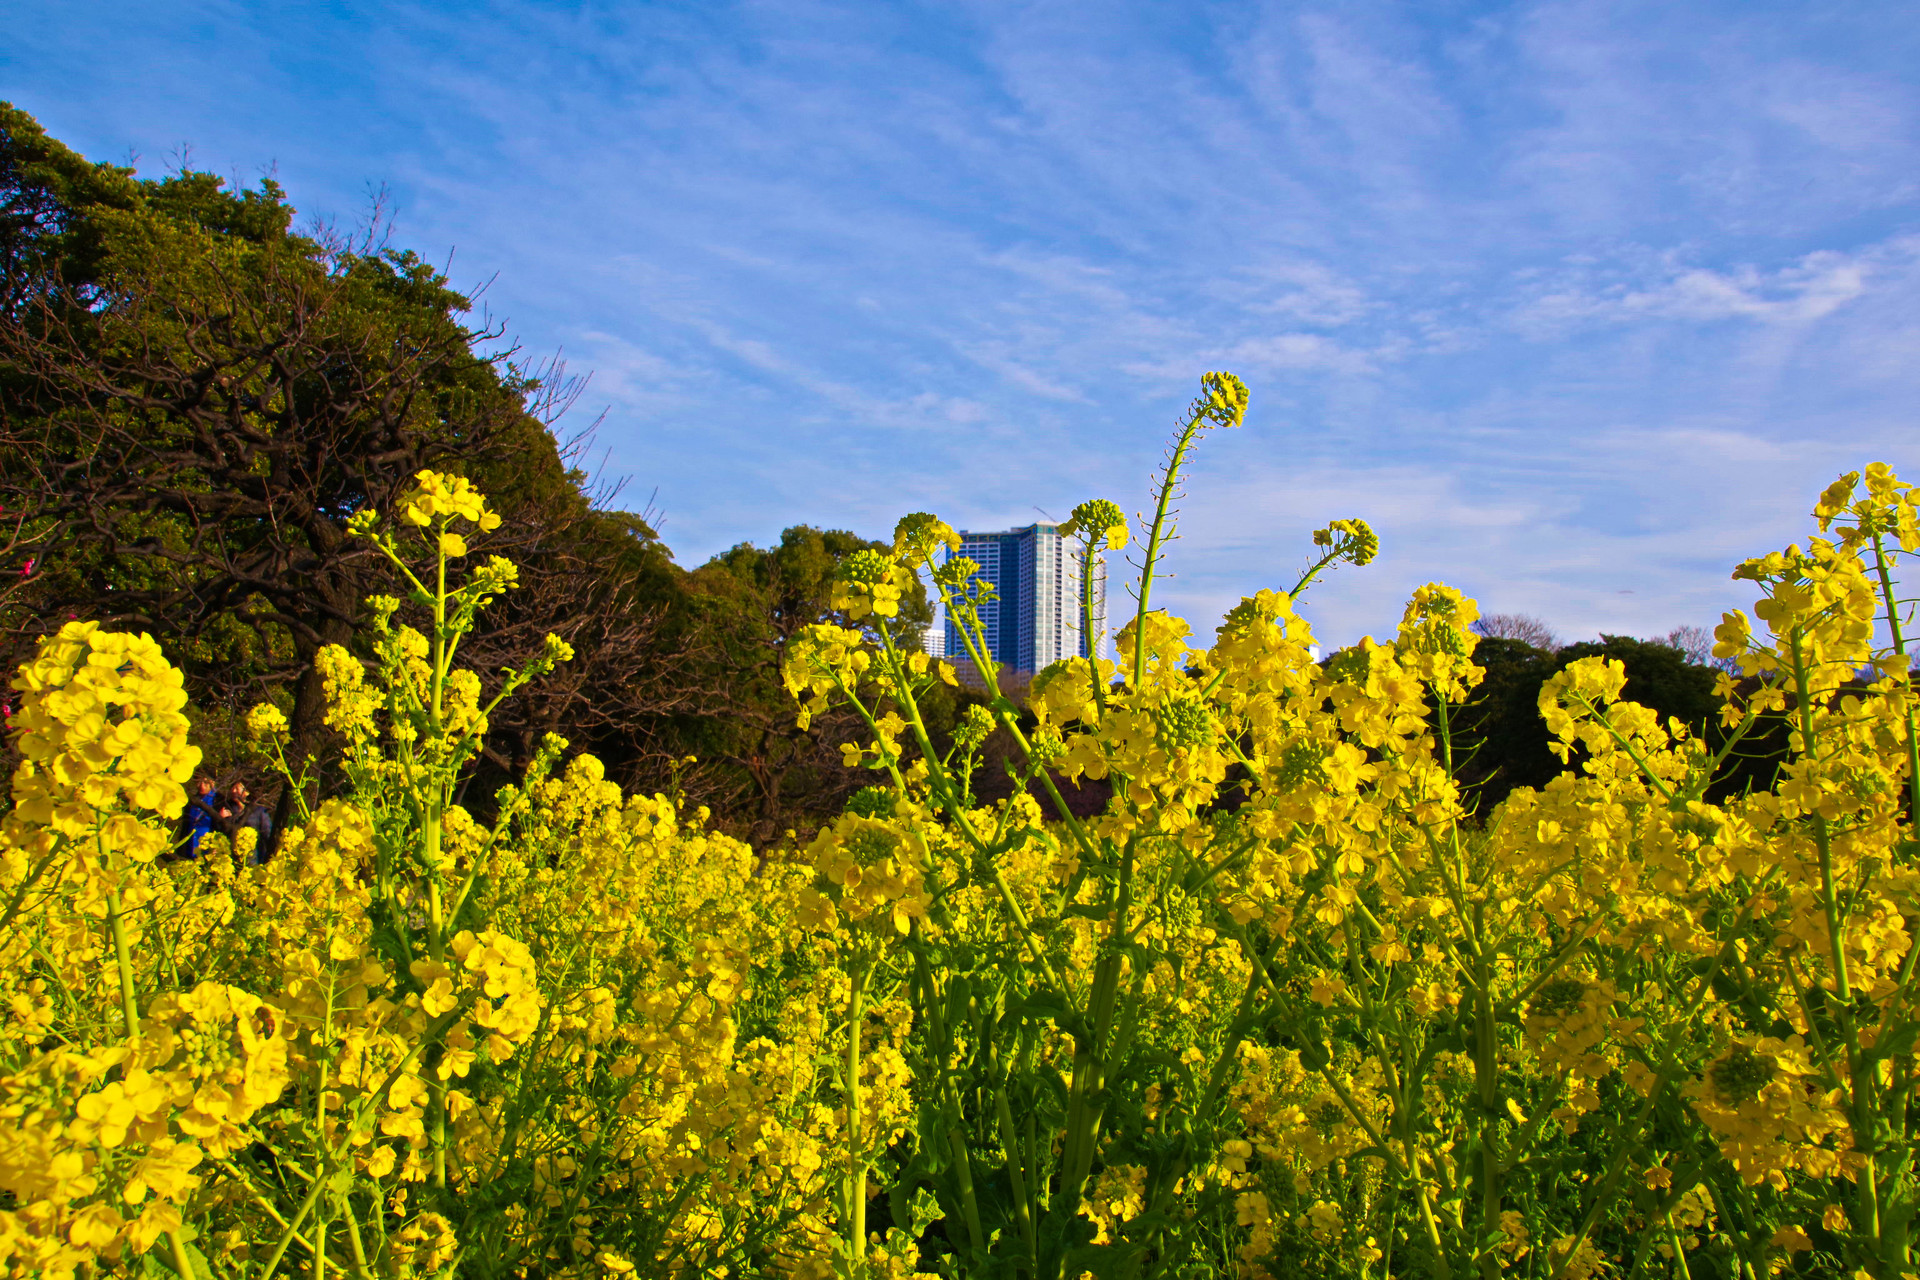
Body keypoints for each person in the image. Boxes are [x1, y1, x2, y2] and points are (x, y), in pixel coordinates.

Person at [223, 782, 276, 864]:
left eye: (237, 788)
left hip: (253, 859)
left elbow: (267, 834)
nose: (233, 791)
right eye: (232, 788)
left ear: (247, 792)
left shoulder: (258, 811)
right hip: (230, 860)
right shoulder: (227, 809)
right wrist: (223, 819)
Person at [178, 776, 223, 860]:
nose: (202, 786)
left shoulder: (220, 801)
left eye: (206, 783)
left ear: (212, 783)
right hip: (189, 850)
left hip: (210, 853)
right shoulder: (192, 800)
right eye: (199, 782)